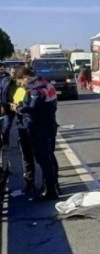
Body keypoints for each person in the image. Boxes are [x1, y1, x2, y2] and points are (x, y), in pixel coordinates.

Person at [14, 67, 60, 200]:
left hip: (40, 128)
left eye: (21, 82)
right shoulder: (45, 83)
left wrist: (18, 108)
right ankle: (52, 186)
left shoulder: (36, 88)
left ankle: (49, 190)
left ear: (25, 77)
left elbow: (33, 109)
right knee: (49, 157)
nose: (22, 85)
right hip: (48, 125)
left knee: (44, 160)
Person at [0, 63, 15, 182]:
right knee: (6, 127)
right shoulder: (5, 80)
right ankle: (5, 143)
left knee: (9, 126)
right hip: (6, 107)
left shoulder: (19, 83)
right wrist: (2, 105)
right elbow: (1, 92)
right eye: (12, 72)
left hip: (16, 107)